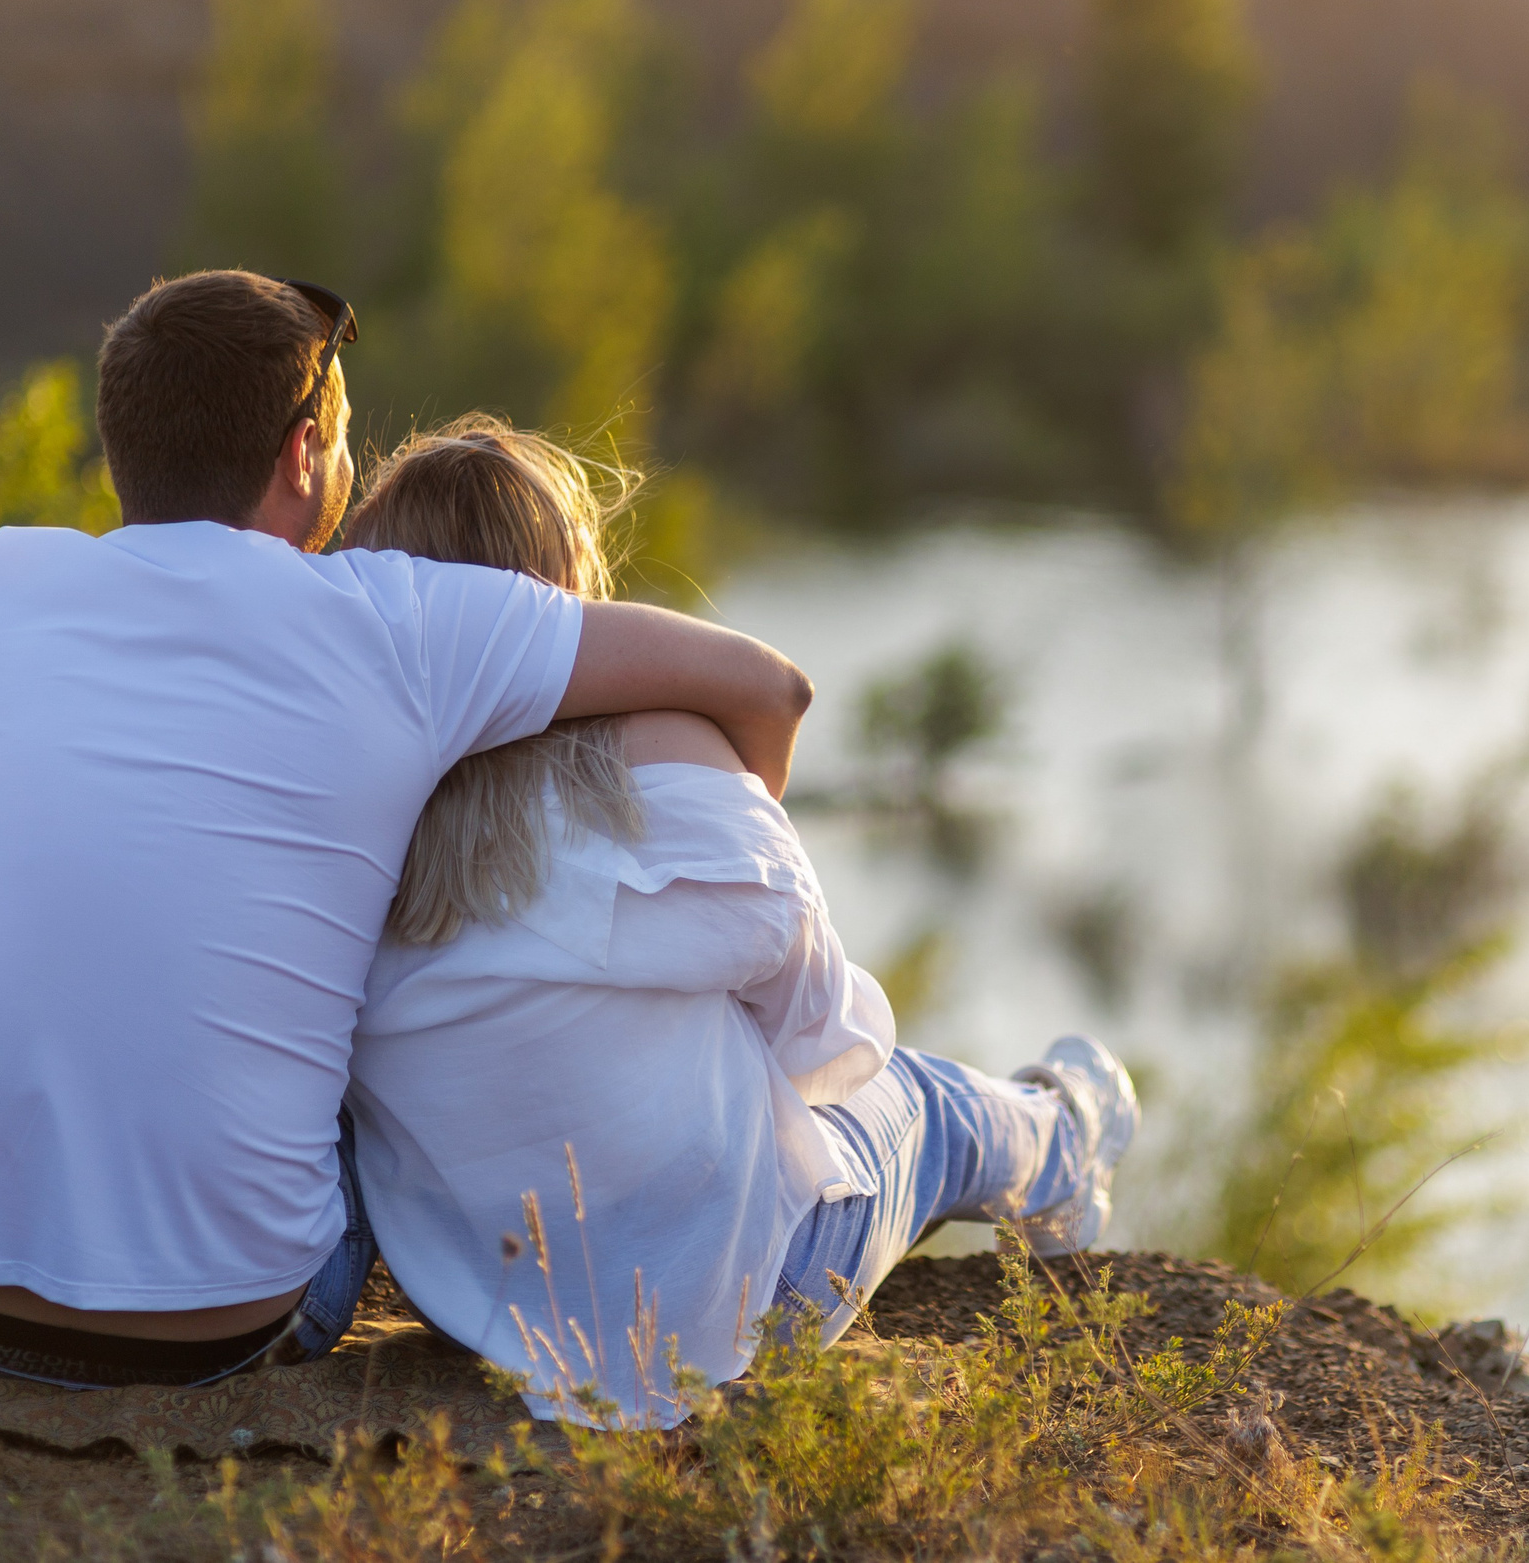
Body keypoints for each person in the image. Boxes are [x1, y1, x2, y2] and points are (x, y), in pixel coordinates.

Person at [0, 271, 815, 1390]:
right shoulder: (398, 621)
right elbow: (768, 686)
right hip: (251, 1318)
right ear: (304, 452)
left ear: (122, 446)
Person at [339, 421, 1139, 1426]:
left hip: (475, 1304)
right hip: (747, 1301)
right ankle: (1069, 1138)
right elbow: (828, 1035)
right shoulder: (661, 754)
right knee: (923, 1102)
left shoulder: (347, 824)